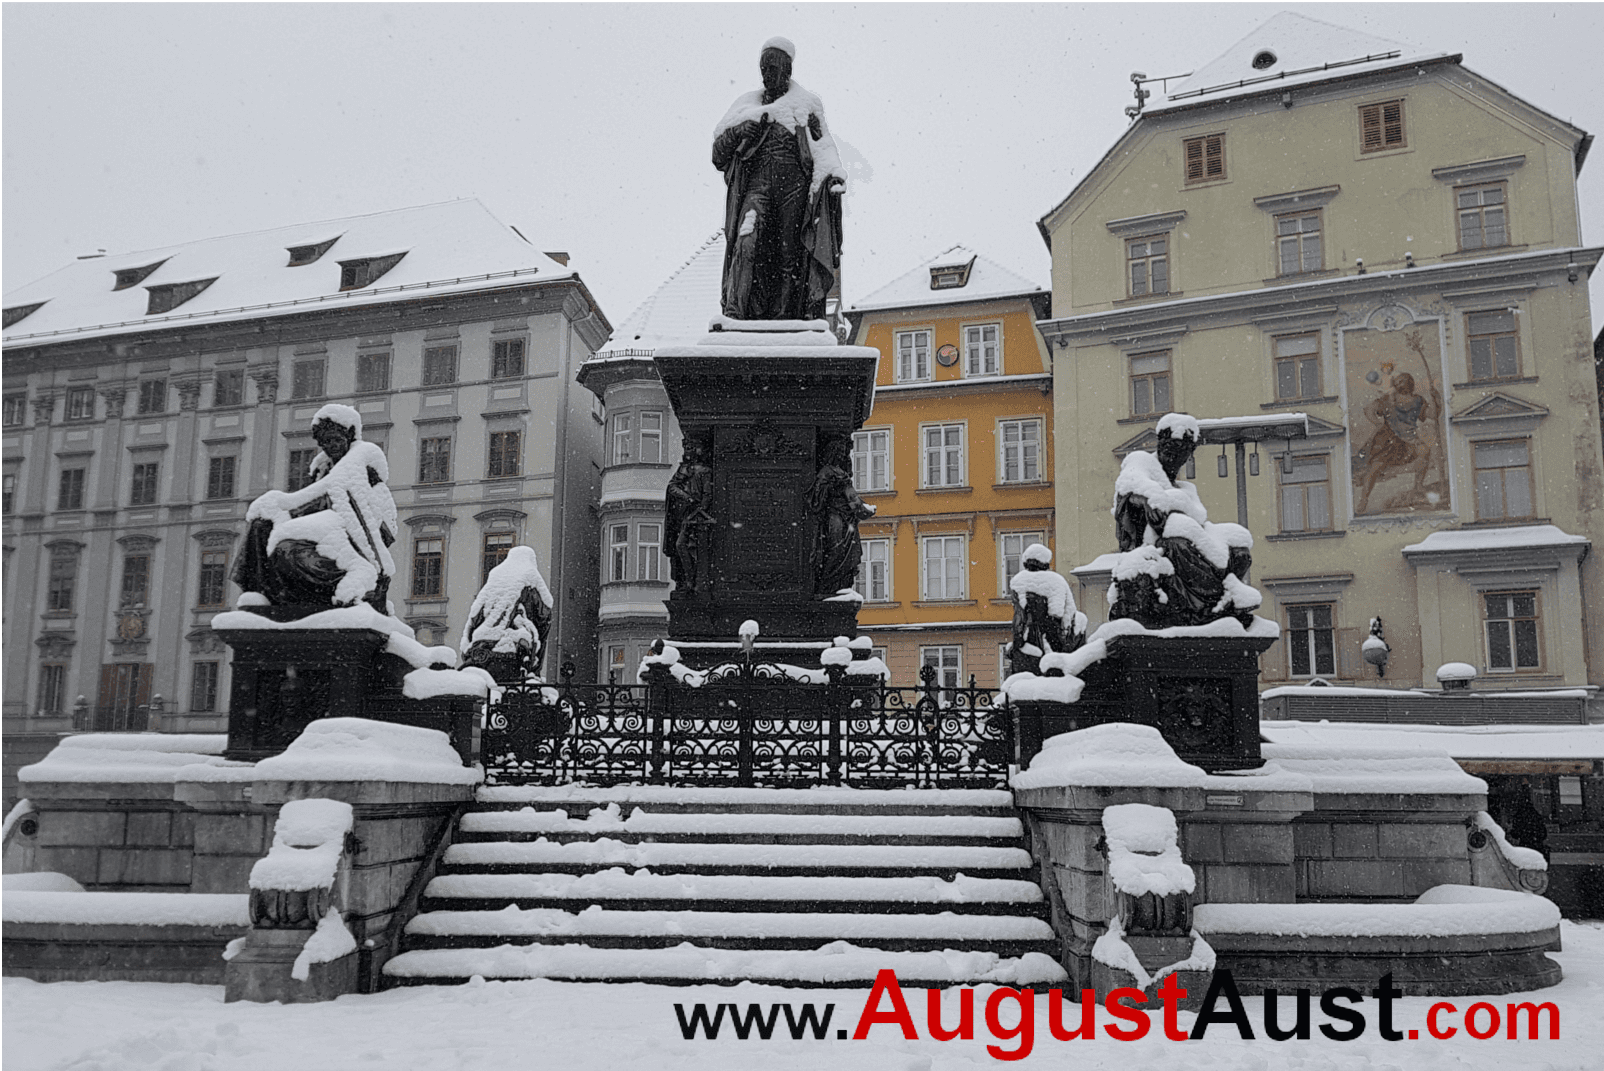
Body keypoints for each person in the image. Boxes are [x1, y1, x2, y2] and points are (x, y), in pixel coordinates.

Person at [713, 36, 845, 321]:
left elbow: (824, 149)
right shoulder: (746, 105)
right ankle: (735, 310)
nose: (766, 75)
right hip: (757, 188)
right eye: (763, 69)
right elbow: (717, 154)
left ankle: (785, 316)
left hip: (793, 189)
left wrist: (833, 177)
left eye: (772, 69)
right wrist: (738, 132)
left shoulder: (806, 105)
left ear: (787, 71)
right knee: (746, 241)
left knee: (790, 254)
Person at [233, 404, 397, 613]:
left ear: (348, 437)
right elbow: (313, 503)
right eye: (326, 442)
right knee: (261, 526)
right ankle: (260, 592)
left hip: (348, 537)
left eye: (337, 439)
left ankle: (302, 593)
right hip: (324, 530)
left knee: (286, 549)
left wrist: (285, 503)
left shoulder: (363, 460)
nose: (332, 446)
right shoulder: (323, 469)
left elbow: (371, 516)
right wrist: (278, 510)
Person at [1109, 415, 1255, 630]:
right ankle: (1208, 605)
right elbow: (1129, 488)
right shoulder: (1141, 461)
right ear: (1160, 444)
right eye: (1170, 449)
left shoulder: (1186, 489)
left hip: (1191, 537)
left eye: (1182, 452)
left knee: (1240, 550)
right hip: (1153, 546)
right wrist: (1149, 501)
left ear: (1189, 453)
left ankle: (1225, 596)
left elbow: (1199, 519)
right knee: (1176, 545)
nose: (1175, 457)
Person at [460, 546, 554, 683]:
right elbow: (545, 609)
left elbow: (475, 615)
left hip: (483, 646)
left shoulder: (495, 576)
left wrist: (471, 638)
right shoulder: (530, 574)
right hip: (511, 649)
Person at [807, 435, 875, 596]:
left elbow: (853, 500)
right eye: (841, 452)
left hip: (848, 518)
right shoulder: (827, 472)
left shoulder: (842, 474)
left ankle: (840, 583)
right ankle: (828, 584)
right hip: (835, 516)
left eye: (844, 453)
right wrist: (830, 485)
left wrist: (864, 510)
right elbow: (816, 498)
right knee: (836, 549)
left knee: (848, 551)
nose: (844, 456)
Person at [664, 437, 715, 592]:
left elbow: (707, 494)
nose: (688, 451)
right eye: (686, 448)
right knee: (679, 547)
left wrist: (700, 510)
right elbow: (672, 487)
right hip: (683, 515)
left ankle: (691, 580)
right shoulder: (684, 469)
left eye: (691, 447)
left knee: (684, 546)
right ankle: (687, 580)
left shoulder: (704, 471)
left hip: (694, 517)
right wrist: (686, 497)